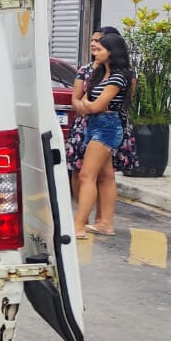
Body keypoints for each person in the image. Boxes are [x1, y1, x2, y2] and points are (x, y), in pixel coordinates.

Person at [72, 31, 133, 239]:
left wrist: (88, 106)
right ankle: (105, 224)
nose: (95, 52)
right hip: (93, 125)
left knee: (86, 176)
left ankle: (79, 225)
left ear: (111, 52)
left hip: (107, 127)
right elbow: (82, 100)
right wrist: (88, 105)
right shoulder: (99, 73)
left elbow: (95, 105)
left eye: (99, 49)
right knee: (106, 176)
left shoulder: (119, 77)